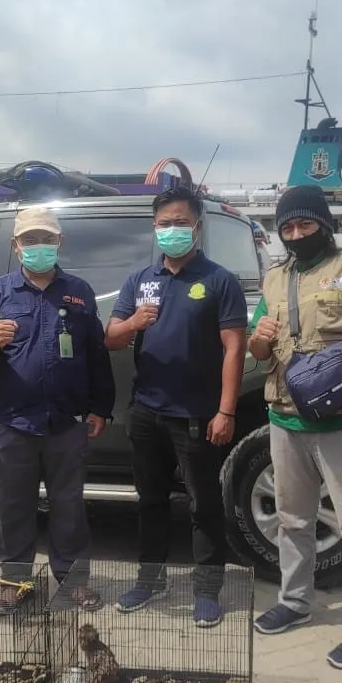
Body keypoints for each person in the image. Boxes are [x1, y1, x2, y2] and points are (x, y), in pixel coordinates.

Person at [246, 184, 342, 671]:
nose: (295, 233)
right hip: (284, 419)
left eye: (305, 224)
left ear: (324, 224)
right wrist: (260, 340)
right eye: (287, 226)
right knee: (292, 520)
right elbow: (258, 352)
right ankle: (295, 602)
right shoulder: (273, 278)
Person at [105, 185, 247, 627]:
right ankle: (151, 580)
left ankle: (207, 590)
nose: (172, 231)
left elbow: (234, 349)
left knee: (204, 504)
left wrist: (225, 411)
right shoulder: (140, 280)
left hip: (197, 414)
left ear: (197, 227)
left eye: (180, 223)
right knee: (150, 501)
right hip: (146, 411)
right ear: (155, 227)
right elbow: (111, 339)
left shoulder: (219, 281)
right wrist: (132, 321)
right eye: (164, 224)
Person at [0, 207, 115, 611]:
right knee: (14, 509)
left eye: (45, 239)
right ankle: (14, 582)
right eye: (29, 240)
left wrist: (101, 407)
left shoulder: (79, 291)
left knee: (69, 507)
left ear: (59, 243)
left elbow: (96, 355)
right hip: (14, 423)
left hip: (67, 423)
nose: (38, 246)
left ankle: (73, 581)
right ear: (16, 246)